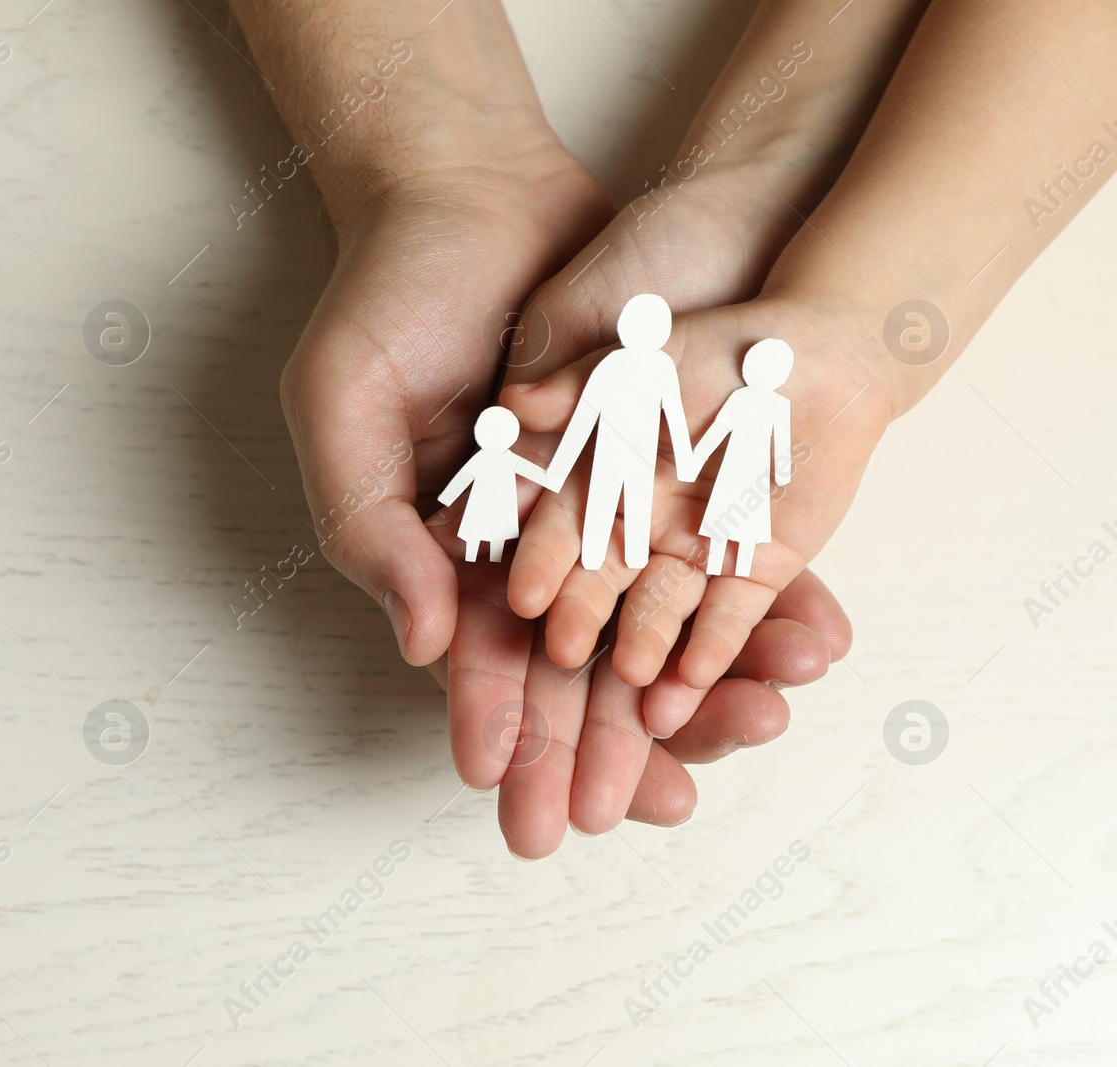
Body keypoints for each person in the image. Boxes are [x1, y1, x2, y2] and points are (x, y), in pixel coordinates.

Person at [228, 0, 1116, 857]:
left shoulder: (704, 392)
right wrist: (445, 162)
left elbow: (733, 449)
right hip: (638, 472)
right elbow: (590, 436)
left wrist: (852, 318)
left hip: (691, 479)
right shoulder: (623, 372)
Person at [541, 293, 694, 570]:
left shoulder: (660, 366)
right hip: (612, 445)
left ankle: (629, 554)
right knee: (606, 497)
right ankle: (596, 554)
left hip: (639, 447)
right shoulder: (617, 364)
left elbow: (674, 414)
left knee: (634, 501)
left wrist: (685, 460)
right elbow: (586, 413)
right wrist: (560, 465)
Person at [684, 338, 794, 578]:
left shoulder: (779, 404)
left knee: (749, 516)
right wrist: (698, 457)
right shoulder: (740, 396)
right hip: (733, 464)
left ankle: (742, 569)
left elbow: (782, 439)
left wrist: (783, 472)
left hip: (756, 467)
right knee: (723, 508)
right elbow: (719, 427)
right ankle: (713, 564)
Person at [437, 406, 547, 564]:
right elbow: (463, 476)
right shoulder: (485, 458)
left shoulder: (506, 458)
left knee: (496, 535)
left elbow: (531, 471)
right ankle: (472, 558)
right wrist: (447, 498)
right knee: (478, 533)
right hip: (484, 501)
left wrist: (549, 480)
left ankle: (488, 558)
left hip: (499, 503)